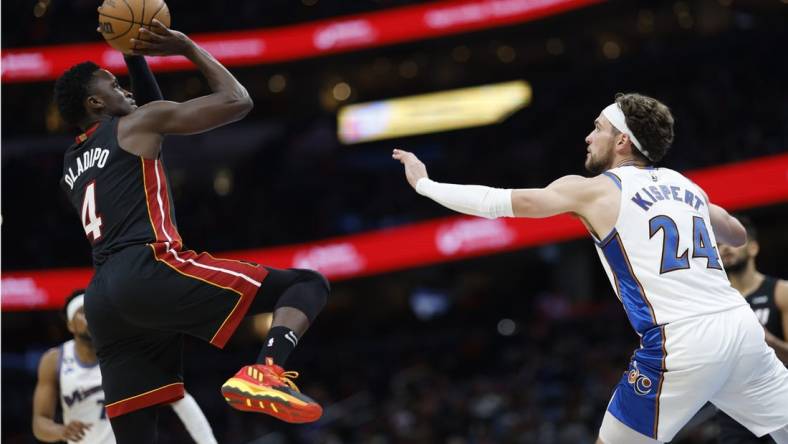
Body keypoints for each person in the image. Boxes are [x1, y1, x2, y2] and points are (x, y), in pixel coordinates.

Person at [392, 93, 788, 444]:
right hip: (741, 327)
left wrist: (425, 184)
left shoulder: (595, 189)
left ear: (621, 140)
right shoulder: (685, 184)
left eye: (597, 128)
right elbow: (735, 233)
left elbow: (499, 203)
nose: (588, 136)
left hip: (681, 338)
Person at [54, 19, 329, 443]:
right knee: (307, 285)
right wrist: (185, 46)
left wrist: (134, 55)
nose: (124, 87)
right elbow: (237, 101)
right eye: (113, 83)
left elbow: (149, 114)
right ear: (95, 101)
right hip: (147, 265)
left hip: (104, 300)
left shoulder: (70, 167)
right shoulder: (135, 124)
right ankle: (266, 372)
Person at [32, 290, 218, 443]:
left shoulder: (127, 356)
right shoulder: (54, 360)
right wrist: (61, 430)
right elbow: (40, 422)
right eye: (82, 311)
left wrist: (208, 442)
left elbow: (180, 398)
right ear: (70, 325)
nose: (91, 315)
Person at [715, 216, 788, 444]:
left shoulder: (780, 291)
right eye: (718, 244)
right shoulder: (715, 303)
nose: (724, 247)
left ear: (754, 247)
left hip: (778, 401)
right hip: (734, 411)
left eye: (732, 242)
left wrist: (768, 341)